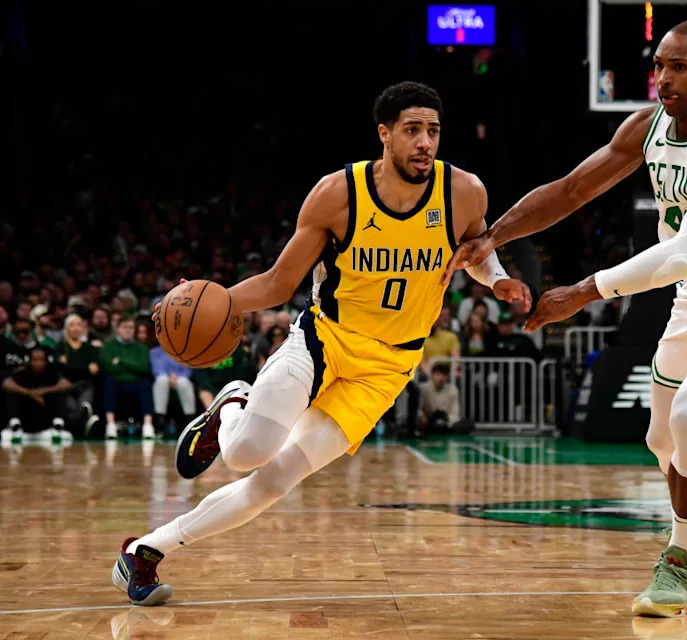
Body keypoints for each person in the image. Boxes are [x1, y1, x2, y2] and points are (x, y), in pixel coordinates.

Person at [444, 20, 687, 617]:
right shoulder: (648, 126)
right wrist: (491, 236)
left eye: (679, 67)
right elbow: (571, 191)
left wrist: (583, 292)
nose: (664, 78)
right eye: (660, 65)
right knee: (660, 439)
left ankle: (679, 563)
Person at [112, 81, 531, 606]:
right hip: (324, 339)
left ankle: (143, 552)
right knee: (246, 455)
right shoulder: (338, 194)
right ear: (384, 135)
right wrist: (210, 300)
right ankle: (234, 406)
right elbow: (277, 283)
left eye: (433, 131)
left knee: (275, 483)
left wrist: (498, 280)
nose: (425, 142)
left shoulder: (464, 191)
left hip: (387, 368)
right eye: (412, 131)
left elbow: (477, 248)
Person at [1, 347, 72, 444]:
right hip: (26, 415)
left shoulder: (52, 373)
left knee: (61, 392)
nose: (39, 363)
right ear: (29, 361)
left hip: (45, 415)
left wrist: (43, 391)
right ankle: (15, 426)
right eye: (35, 360)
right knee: (11, 394)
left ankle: (57, 425)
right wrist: (29, 393)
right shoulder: (21, 373)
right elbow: (6, 384)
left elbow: (66, 384)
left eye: (42, 360)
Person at [101, 316, 155, 439]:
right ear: (118, 329)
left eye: (131, 327)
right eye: (125, 327)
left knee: (145, 383)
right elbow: (109, 368)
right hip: (117, 382)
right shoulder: (109, 346)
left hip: (135, 382)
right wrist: (132, 365)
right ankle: (110, 425)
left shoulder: (141, 348)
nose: (128, 330)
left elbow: (143, 368)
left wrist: (120, 362)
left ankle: (148, 425)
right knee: (108, 381)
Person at [57, 314, 101, 435]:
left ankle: (85, 418)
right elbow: (61, 369)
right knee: (70, 405)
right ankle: (83, 425)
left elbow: (95, 370)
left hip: (85, 384)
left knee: (85, 402)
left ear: (83, 328)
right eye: (71, 325)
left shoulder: (90, 348)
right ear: (66, 328)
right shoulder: (61, 347)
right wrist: (86, 368)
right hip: (66, 385)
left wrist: (69, 365)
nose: (75, 328)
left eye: (78, 325)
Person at [418, 363, 461, 435]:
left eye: (444, 375)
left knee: (467, 424)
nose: (441, 378)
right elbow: (418, 409)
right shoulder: (423, 389)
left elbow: (455, 413)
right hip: (427, 422)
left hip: (445, 422)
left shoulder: (453, 390)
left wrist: (446, 421)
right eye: (438, 374)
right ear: (432, 375)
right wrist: (422, 417)